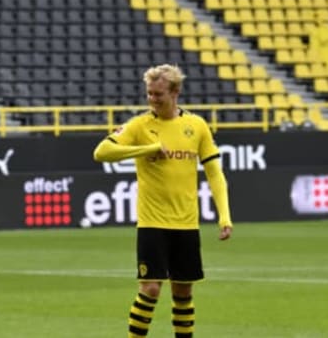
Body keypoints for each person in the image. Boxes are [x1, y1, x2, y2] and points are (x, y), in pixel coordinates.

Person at [92, 64, 232, 338]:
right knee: (151, 288)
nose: (152, 100)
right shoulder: (140, 125)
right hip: (152, 222)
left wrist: (224, 215)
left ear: (175, 92)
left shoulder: (196, 125)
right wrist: (147, 150)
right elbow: (102, 151)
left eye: (158, 94)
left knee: (183, 291)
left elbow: (215, 173)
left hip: (186, 223)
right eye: (149, 94)